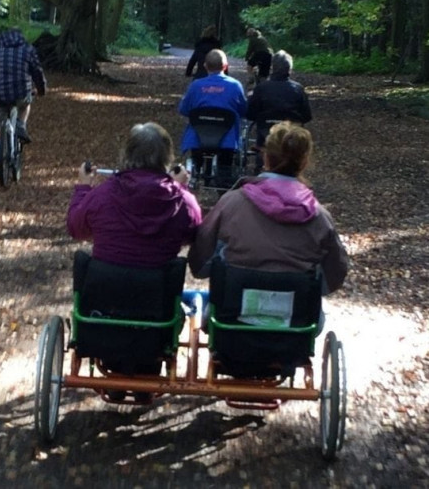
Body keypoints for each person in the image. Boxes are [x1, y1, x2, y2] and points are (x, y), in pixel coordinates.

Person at [67, 122, 202, 400]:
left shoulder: (102, 195)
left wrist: (82, 188)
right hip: (156, 310)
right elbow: (194, 233)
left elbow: (76, 228)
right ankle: (147, 368)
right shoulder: (180, 201)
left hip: (103, 307)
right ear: (167, 158)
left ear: (126, 155)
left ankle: (114, 367)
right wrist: (181, 188)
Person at [188, 122, 348, 335]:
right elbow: (334, 276)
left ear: (266, 158)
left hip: (231, 320)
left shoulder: (232, 203)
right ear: (304, 162)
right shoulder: (320, 217)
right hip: (294, 326)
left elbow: (200, 264)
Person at [179, 49, 247, 186]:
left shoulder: (195, 86)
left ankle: (196, 168)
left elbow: (184, 109)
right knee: (226, 165)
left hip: (198, 138)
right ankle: (224, 179)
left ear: (205, 66)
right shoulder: (235, 86)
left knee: (196, 135)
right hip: (226, 140)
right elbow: (244, 111)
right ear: (226, 66)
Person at [0, 28, 46, 176]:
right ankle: (20, 124)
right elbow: (37, 71)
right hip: (20, 94)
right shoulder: (27, 49)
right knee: (25, 105)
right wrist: (41, 89)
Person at [246, 49, 312, 173]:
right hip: (291, 136)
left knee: (262, 132)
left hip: (266, 132)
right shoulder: (298, 89)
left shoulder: (262, 88)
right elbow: (306, 116)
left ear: (272, 67)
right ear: (290, 69)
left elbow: (250, 114)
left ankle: (260, 167)